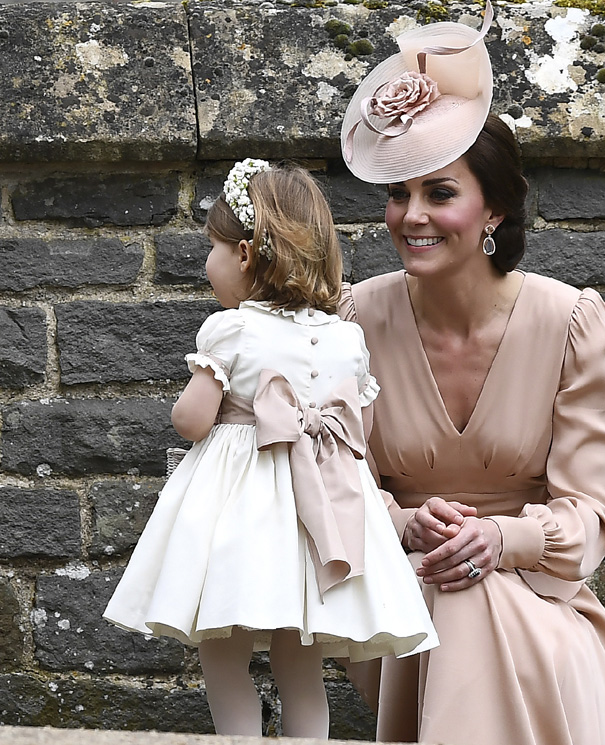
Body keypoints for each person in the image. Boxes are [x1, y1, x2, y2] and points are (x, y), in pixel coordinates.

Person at [338, 2, 605, 744]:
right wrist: (404, 523)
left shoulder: (567, 323)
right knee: (449, 586)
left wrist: (499, 539)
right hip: (402, 607)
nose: (411, 216)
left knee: (470, 592)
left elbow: (586, 518)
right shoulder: (354, 321)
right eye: (397, 194)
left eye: (438, 192)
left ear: (492, 208)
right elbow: (336, 491)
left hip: (540, 603)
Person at [103, 160, 438, 739]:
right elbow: (362, 428)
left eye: (213, 247)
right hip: (316, 515)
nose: (207, 262)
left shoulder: (232, 330)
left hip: (243, 514)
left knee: (223, 649)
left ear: (245, 255)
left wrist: (202, 405)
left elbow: (191, 421)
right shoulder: (346, 337)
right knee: (300, 658)